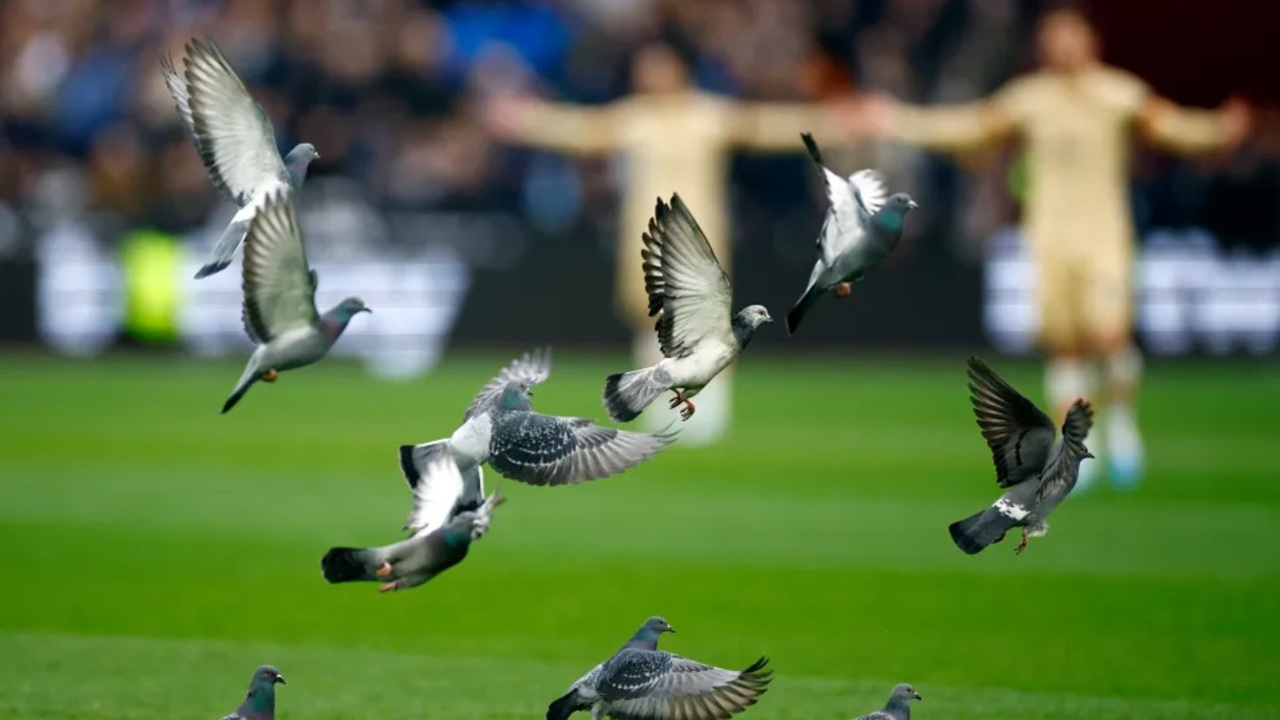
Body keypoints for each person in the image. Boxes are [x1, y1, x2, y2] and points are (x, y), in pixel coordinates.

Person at [857, 7, 1250, 491]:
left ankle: (1123, 425)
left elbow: (1171, 126)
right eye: (1053, 37)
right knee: (1065, 347)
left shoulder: (1118, 93)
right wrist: (898, 121)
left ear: (1090, 41)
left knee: (1108, 335)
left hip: (1105, 235)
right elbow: (969, 127)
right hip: (1050, 239)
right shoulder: (1031, 99)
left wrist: (1218, 130)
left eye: (1071, 35)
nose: (1063, 45)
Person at [485, 41, 846, 446]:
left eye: (657, 67)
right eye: (644, 68)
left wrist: (834, 121)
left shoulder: (709, 115)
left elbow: (767, 126)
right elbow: (581, 131)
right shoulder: (635, 117)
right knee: (648, 315)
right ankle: (658, 398)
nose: (649, 75)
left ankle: (709, 408)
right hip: (646, 232)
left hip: (699, 230)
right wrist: (525, 120)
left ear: (679, 69)